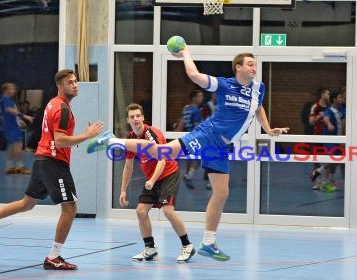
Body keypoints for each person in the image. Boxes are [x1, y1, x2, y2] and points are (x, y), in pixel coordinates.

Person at [88, 49, 289, 261]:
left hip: (221, 147)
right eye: (249, 64)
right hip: (208, 134)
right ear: (238, 67)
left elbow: (257, 108)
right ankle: (110, 140)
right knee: (162, 150)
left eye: (255, 64)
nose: (254, 67)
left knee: (222, 193)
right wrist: (185, 53)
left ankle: (208, 242)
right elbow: (194, 75)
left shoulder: (259, 88)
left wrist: (267, 129)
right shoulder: (224, 84)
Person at [0, 69, 104, 271]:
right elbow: (60, 141)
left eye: (76, 82)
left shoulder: (53, 103)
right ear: (60, 86)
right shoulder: (62, 109)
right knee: (70, 208)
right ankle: (54, 257)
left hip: (42, 160)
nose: (75, 85)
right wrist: (87, 135)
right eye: (70, 82)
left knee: (26, 204)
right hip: (53, 162)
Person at [119, 103, 195, 262]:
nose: (136, 119)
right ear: (128, 120)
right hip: (152, 180)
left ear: (143, 117)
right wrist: (123, 190)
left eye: (138, 116)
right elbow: (128, 165)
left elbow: (162, 159)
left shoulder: (152, 133)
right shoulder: (131, 139)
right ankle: (150, 248)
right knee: (141, 211)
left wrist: (152, 180)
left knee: (167, 211)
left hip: (168, 174)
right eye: (132, 117)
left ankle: (187, 245)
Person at [0, 83, 35, 174]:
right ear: (6, 90)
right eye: (12, 89)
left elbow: (10, 113)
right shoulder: (6, 99)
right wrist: (25, 116)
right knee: (18, 145)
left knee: (11, 146)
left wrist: (19, 121)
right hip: (11, 127)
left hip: (9, 126)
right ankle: (20, 166)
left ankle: (10, 166)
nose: (14, 91)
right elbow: (10, 110)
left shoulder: (3, 99)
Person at [175, 89, 204, 189]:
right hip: (195, 137)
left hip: (186, 136)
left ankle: (188, 174)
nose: (202, 98)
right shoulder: (196, 111)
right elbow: (197, 126)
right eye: (200, 96)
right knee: (199, 158)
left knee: (190, 157)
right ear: (194, 98)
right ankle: (188, 176)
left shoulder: (186, 109)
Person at [308, 87, 330, 189]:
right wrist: (319, 117)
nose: (329, 96)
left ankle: (325, 180)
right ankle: (318, 182)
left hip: (329, 136)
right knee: (316, 159)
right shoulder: (315, 107)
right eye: (327, 94)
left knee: (330, 159)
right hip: (317, 136)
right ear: (322, 95)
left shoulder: (330, 107)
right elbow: (311, 121)